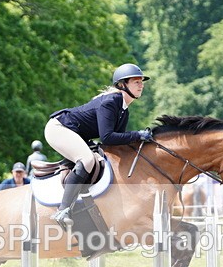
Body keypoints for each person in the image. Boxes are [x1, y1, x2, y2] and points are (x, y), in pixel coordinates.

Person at [44, 63, 152, 230]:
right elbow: (108, 137)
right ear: (123, 85)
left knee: (99, 159)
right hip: (59, 128)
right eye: (136, 81)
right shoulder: (111, 102)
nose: (141, 85)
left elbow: (116, 144)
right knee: (87, 160)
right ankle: (63, 210)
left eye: (141, 82)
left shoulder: (124, 110)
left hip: (76, 133)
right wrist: (137, 135)